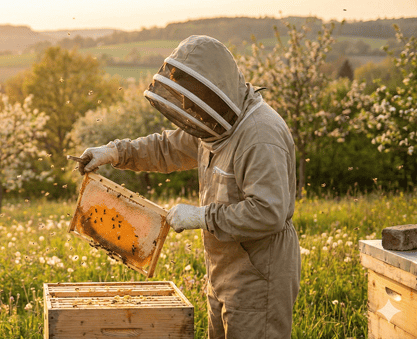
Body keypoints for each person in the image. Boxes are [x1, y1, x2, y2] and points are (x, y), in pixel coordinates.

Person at [77, 35, 300, 339]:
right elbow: (167, 148)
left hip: (259, 276)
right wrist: (115, 151)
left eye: (191, 100)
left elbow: (268, 212)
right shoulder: (213, 125)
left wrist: (202, 217)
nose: (187, 109)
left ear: (214, 93)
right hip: (223, 267)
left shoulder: (261, 136)